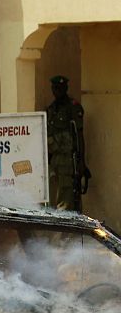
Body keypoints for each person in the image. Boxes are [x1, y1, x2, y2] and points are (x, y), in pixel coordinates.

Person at [46, 75, 90, 211]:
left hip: (69, 161)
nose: (57, 91)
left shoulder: (73, 107)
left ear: (66, 88)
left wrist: (81, 162)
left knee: (68, 200)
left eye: (60, 88)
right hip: (54, 161)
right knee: (54, 198)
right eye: (55, 88)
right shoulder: (51, 109)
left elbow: (79, 135)